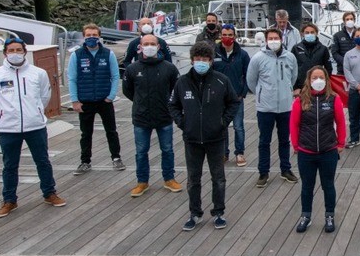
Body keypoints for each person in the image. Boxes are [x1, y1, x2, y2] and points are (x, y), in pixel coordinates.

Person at [0, 37, 65, 218]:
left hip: (35, 125)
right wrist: (4, 114)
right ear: (5, 53)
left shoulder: (38, 73)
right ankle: (9, 200)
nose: (15, 53)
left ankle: (49, 193)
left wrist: (34, 112)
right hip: (8, 128)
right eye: (11, 50)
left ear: (24, 51)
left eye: (18, 50)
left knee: (42, 161)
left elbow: (45, 97)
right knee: (10, 165)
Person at [169, 41, 239, 231]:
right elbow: (173, 105)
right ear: (192, 60)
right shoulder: (182, 82)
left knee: (218, 178)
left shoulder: (221, 80)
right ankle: (195, 213)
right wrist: (182, 123)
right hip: (192, 139)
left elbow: (233, 102)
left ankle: (218, 212)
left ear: (210, 61)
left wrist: (223, 122)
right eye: (198, 59)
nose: (201, 62)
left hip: (215, 138)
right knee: (193, 179)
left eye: (205, 59)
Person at [122, 32, 181, 197]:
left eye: (152, 44)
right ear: (139, 47)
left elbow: (176, 89)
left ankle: (169, 178)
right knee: (141, 151)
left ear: (158, 46)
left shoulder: (169, 68)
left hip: (164, 116)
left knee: (167, 150)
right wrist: (140, 102)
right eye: (145, 44)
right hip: (141, 117)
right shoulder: (132, 69)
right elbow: (128, 91)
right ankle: (142, 182)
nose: (149, 47)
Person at [290, 66, 346, 233]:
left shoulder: (333, 99)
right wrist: (295, 145)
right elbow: (294, 124)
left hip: (328, 150)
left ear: (326, 79)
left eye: (321, 77)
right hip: (306, 151)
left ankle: (329, 215)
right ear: (309, 80)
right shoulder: (300, 100)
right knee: (307, 185)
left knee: (328, 185)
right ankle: (305, 216)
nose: (318, 81)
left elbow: (341, 122)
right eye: (314, 78)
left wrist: (341, 143)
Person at [247, 27, 300, 188]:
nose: (274, 41)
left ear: (281, 39)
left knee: (284, 140)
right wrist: (262, 94)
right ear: (266, 40)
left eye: (276, 38)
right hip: (265, 107)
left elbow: (293, 77)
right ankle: (263, 172)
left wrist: (286, 91)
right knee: (264, 141)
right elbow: (251, 81)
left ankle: (285, 169)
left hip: (285, 106)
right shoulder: (257, 58)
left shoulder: (290, 57)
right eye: (270, 38)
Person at [69, 23, 124, 174]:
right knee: (86, 133)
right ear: (84, 37)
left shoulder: (108, 54)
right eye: (88, 35)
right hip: (85, 101)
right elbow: (72, 79)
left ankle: (116, 158)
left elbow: (115, 76)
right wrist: (74, 100)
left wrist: (111, 96)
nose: (91, 38)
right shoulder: (76, 55)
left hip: (104, 100)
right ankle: (85, 161)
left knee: (111, 131)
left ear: (99, 36)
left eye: (94, 35)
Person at [213, 24, 251, 166]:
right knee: (222, 126)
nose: (227, 37)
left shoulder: (243, 54)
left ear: (234, 36)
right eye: (224, 34)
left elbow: (249, 74)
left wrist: (243, 92)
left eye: (230, 35)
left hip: (236, 97)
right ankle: (224, 153)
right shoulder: (214, 53)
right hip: (219, 97)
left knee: (238, 126)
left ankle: (239, 153)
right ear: (220, 35)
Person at [292, 22, 333, 93]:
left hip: (318, 85)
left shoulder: (323, 49)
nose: (309, 34)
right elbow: (292, 69)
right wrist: (295, 87)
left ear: (316, 33)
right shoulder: (296, 48)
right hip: (301, 87)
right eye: (307, 32)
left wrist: (324, 84)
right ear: (302, 34)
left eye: (312, 32)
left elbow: (328, 69)